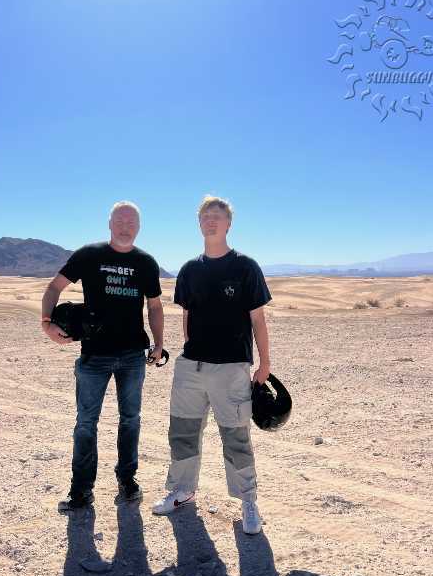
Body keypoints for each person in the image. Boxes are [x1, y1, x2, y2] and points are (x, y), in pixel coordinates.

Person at [152, 195, 272, 534]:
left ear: (228, 224)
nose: (211, 220)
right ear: (199, 223)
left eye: (217, 215)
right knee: (183, 432)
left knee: (236, 436)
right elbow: (187, 316)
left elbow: (258, 319)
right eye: (205, 216)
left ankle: (248, 501)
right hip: (191, 368)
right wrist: (191, 351)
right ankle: (182, 490)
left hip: (232, 367)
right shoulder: (189, 270)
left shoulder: (245, 267)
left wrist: (264, 363)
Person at [41, 201, 164, 509]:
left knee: (131, 419)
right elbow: (54, 287)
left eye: (131, 222)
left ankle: (127, 479)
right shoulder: (89, 255)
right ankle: (81, 489)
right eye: (120, 221)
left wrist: (159, 343)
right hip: (94, 355)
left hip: (133, 355)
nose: (125, 226)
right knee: (86, 422)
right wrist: (46, 323)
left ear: (139, 227)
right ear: (109, 224)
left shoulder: (146, 262)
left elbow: (154, 306)